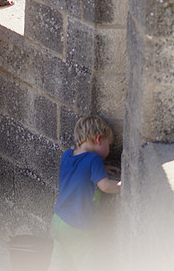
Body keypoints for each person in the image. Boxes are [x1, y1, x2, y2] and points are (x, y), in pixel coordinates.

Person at [48, 115, 122, 271]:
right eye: (109, 145)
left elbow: (80, 170)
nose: (109, 150)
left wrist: (102, 169)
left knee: (57, 264)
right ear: (99, 139)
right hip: (77, 225)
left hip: (58, 220)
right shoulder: (94, 160)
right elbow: (105, 186)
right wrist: (123, 186)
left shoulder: (67, 155)